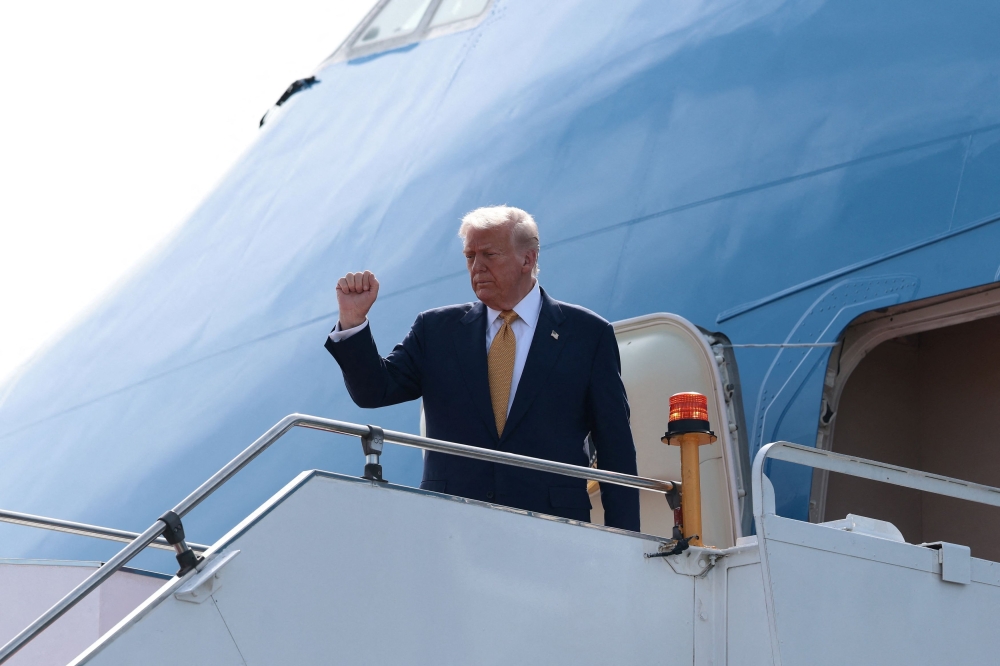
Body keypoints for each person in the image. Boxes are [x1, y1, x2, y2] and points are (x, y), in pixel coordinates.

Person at [325, 206, 640, 531]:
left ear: (527, 260)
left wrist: (627, 540)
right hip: (451, 529)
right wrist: (352, 321)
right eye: (470, 256)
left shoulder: (587, 334)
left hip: (551, 530)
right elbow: (374, 391)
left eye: (489, 254)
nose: (477, 267)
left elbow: (615, 446)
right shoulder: (435, 330)